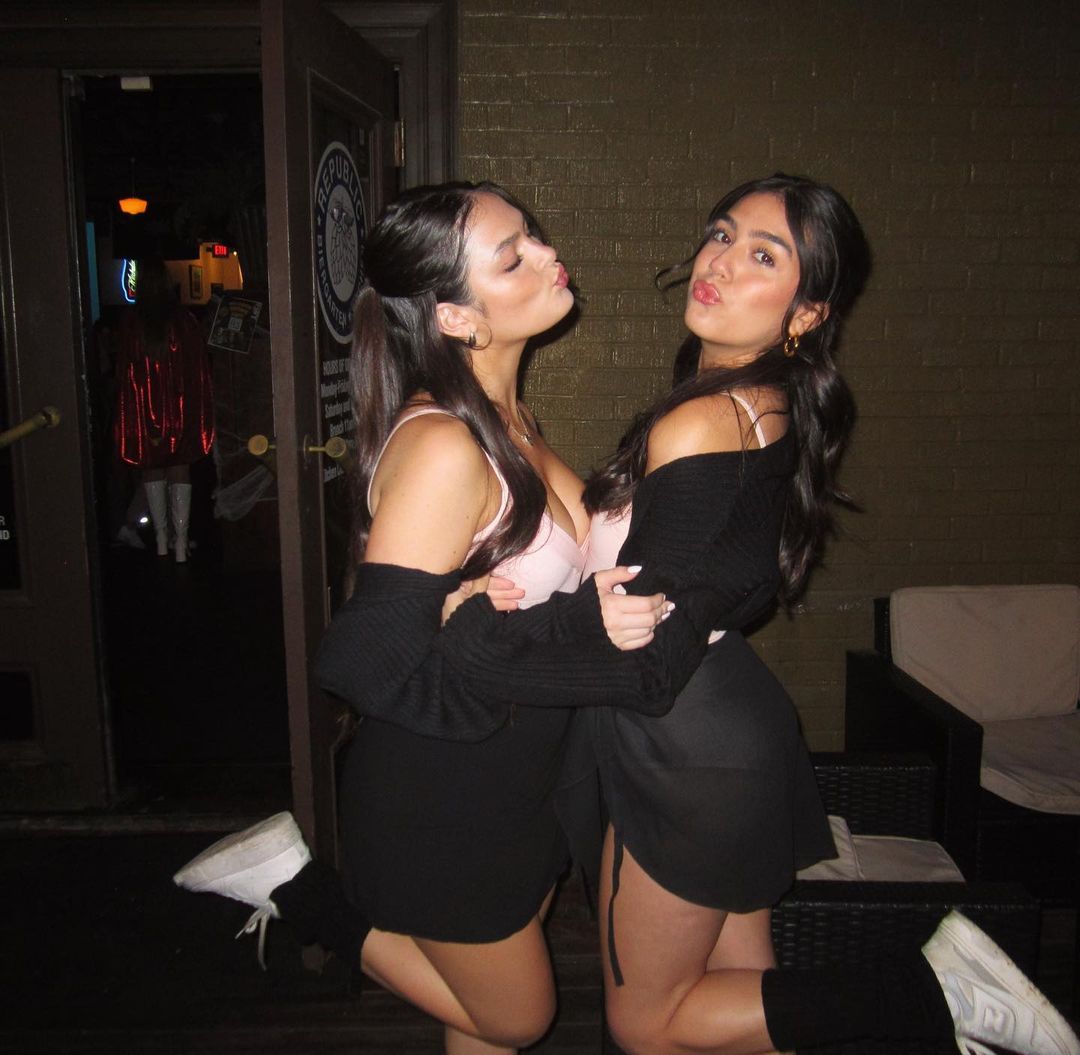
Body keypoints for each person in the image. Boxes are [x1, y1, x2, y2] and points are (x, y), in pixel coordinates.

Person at [571, 173, 1079, 1055]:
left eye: (763, 256)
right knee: (745, 997)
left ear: (806, 313)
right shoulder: (758, 401)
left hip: (682, 744)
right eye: (721, 234)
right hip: (726, 727)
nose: (720, 262)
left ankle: (933, 993)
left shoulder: (707, 419)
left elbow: (641, 651)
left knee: (646, 1021)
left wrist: (488, 648)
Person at [174, 181, 680, 1055]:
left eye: (533, 235)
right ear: (456, 318)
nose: (547, 254)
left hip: (519, 778)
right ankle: (296, 890)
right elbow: (361, 657)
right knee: (517, 1015)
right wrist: (514, 643)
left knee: (477, 1022)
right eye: (512, 257)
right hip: (446, 790)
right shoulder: (445, 443)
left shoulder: (509, 420)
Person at [114, 256, 214, 562]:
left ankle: (160, 539)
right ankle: (180, 543)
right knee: (179, 469)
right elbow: (197, 371)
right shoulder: (184, 322)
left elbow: (124, 373)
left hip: (144, 412)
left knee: (152, 470)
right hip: (180, 409)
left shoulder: (132, 324)